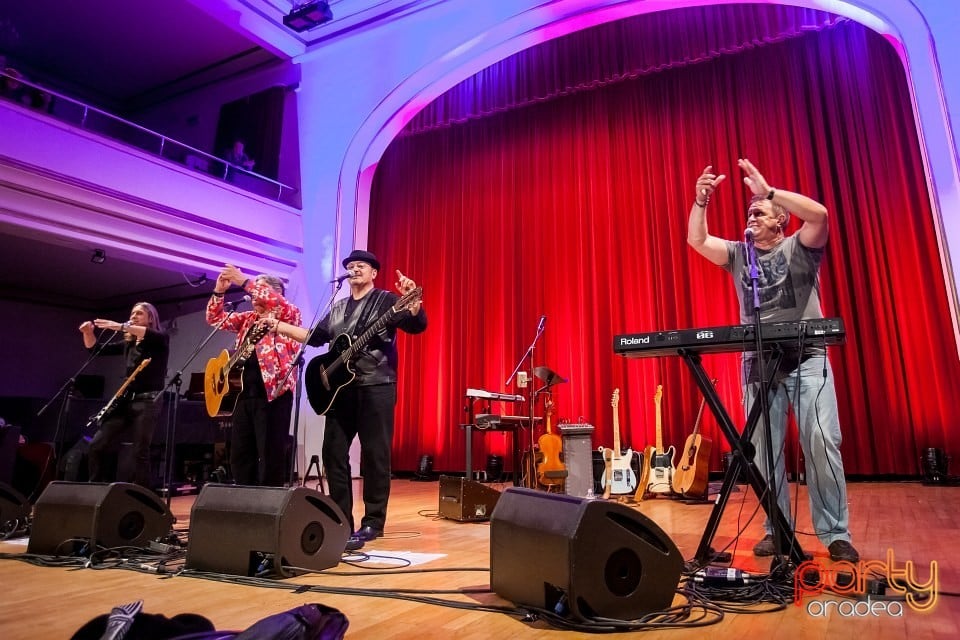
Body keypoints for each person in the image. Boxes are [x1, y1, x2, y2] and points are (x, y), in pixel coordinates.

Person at [686, 158, 859, 563]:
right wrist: (700, 202)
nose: (751, 215)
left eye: (759, 211)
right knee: (763, 452)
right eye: (750, 211)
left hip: (807, 358)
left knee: (821, 441)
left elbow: (820, 215)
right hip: (758, 364)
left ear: (781, 220)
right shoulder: (736, 254)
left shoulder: (801, 246)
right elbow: (697, 241)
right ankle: (775, 530)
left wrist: (769, 192)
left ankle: (835, 534)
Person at [268, 249, 426, 551]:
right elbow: (315, 337)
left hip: (376, 386)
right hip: (341, 391)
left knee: (376, 455)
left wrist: (415, 305)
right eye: (350, 266)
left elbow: (416, 326)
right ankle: (341, 519)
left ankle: (373, 522)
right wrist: (278, 326)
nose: (354, 270)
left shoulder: (386, 301)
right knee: (332, 453)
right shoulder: (338, 307)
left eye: (360, 266)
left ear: (373, 273)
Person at [206, 265, 302, 487]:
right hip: (243, 396)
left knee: (269, 456)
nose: (253, 296)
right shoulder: (247, 319)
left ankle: (268, 506)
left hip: (273, 395)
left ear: (276, 294)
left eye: (260, 291)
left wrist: (245, 281)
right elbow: (214, 318)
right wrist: (219, 292)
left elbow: (276, 303)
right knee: (240, 456)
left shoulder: (288, 314)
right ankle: (244, 501)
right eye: (253, 292)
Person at [79, 302, 169, 488]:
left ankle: (143, 494)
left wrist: (119, 326)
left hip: (148, 400)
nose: (134, 316)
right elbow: (95, 350)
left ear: (150, 318)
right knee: (97, 443)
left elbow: (148, 335)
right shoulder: (128, 343)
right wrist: (88, 332)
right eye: (132, 313)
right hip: (126, 400)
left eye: (139, 313)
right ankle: (94, 487)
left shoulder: (160, 338)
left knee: (140, 450)